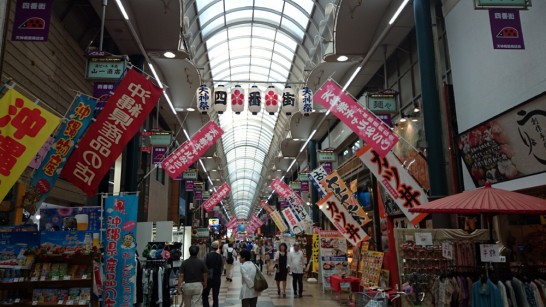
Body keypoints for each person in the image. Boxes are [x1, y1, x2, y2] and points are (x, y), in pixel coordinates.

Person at [202, 241, 223, 307]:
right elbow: (221, 267)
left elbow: (204, 267)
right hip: (216, 277)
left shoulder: (207, 256)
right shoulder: (220, 256)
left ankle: (206, 305)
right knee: (215, 295)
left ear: (211, 247)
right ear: (217, 248)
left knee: (205, 294)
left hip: (208, 278)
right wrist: (219, 274)